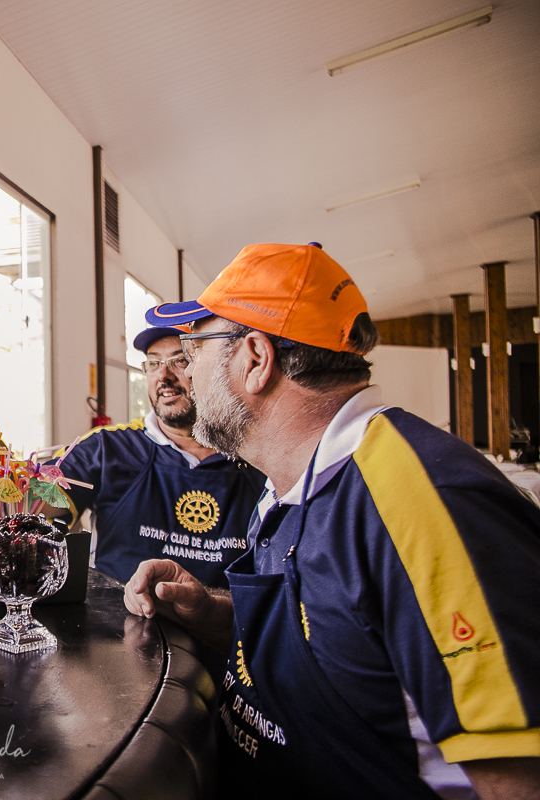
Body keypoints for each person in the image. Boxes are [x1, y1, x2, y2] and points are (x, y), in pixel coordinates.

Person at [128, 242, 540, 799]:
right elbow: (337, 639)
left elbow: (519, 780)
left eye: (195, 349)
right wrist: (208, 610)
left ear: (255, 358)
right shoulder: (290, 484)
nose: (187, 372)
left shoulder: (424, 502)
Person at [49, 326, 264, 587]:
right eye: (154, 363)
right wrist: (11, 479)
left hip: (226, 612)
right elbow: (38, 500)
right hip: (117, 611)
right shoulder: (107, 447)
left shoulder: (256, 456)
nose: (163, 376)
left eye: (180, 360)